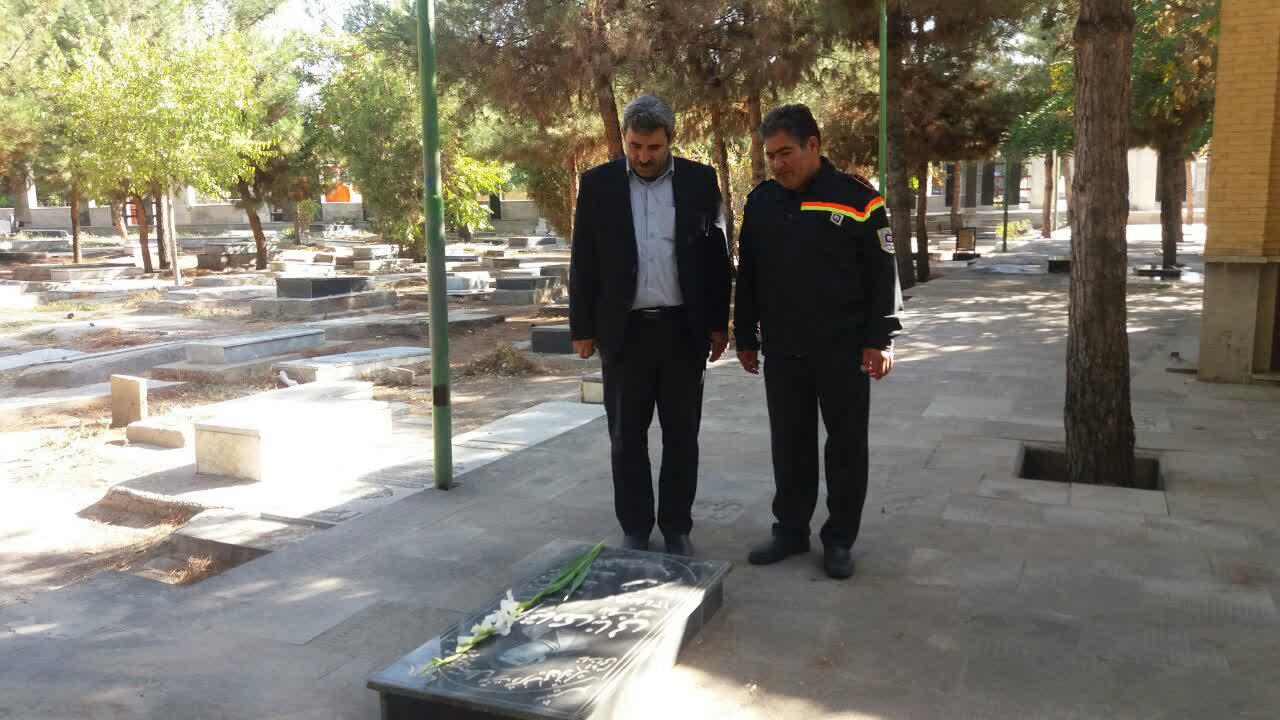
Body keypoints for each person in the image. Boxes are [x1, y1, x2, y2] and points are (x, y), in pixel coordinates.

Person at [734, 104, 901, 579]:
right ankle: (790, 530)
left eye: (785, 152)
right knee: (790, 445)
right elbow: (749, 276)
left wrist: (881, 340)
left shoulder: (859, 199)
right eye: (771, 156)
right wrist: (745, 335)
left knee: (845, 447)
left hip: (843, 350)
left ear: (813, 144)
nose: (778, 164)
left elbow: (883, 276)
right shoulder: (761, 202)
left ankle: (840, 538)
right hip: (784, 349)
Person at [569, 95, 732, 557]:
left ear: (670, 141)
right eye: (635, 146)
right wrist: (582, 327)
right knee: (626, 436)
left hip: (683, 331)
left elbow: (717, 259)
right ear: (624, 139)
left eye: (653, 148)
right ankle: (635, 526)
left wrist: (718, 323)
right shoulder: (597, 185)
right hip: (624, 334)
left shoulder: (700, 181)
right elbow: (584, 260)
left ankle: (677, 526)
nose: (643, 157)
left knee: (682, 436)